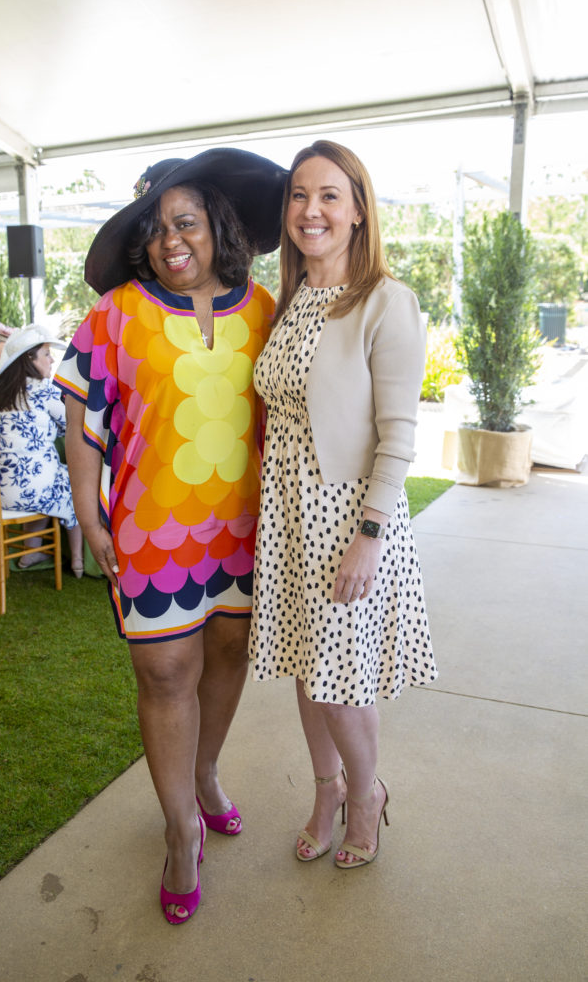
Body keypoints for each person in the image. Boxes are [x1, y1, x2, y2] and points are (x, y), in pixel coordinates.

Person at [56, 147, 286, 924]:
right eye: (155, 230)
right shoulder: (117, 311)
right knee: (163, 678)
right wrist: (88, 513)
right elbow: (82, 418)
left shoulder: (261, 309)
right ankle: (180, 830)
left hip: (248, 533)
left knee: (227, 659)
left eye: (183, 221)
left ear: (217, 225)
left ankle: (206, 773)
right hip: (153, 535)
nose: (168, 240)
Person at [249, 140, 437, 871]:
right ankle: (326, 790)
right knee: (307, 663)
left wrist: (368, 536)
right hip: (289, 516)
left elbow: (398, 437)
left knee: (340, 676)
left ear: (358, 211)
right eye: (299, 196)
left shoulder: (386, 302)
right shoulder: (291, 302)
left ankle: (366, 794)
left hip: (346, 518)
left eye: (329, 195)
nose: (311, 210)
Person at [0, 324, 84, 575]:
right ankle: (78, 561)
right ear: (29, 359)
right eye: (46, 354)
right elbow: (73, 427)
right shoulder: (44, 391)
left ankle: (32, 552)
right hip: (20, 493)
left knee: (44, 476)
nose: (52, 360)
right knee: (72, 483)